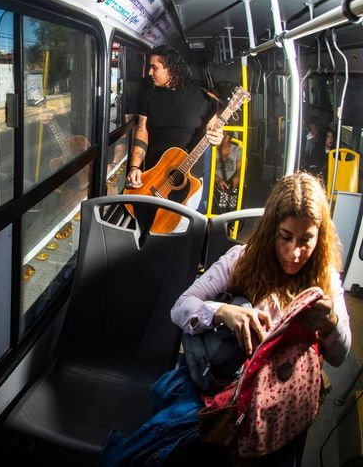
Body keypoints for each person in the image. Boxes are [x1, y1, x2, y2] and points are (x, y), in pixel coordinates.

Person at [100, 172, 351, 466]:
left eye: (306, 240)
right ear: (271, 230)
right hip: (225, 386)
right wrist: (223, 312)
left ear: (320, 238)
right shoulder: (240, 260)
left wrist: (330, 322)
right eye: (285, 237)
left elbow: (340, 355)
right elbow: (180, 307)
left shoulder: (326, 280)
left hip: (279, 404)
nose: (294, 253)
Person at [124, 45, 223, 228]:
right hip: (154, 176)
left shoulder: (205, 99)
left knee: (179, 230)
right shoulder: (149, 97)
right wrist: (134, 166)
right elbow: (142, 131)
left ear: (170, 68)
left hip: (188, 181)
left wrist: (219, 137)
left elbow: (215, 130)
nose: (149, 72)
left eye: (154, 67)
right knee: (146, 227)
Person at [212, 132, 242, 213]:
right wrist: (217, 179)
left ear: (227, 138)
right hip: (213, 187)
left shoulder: (237, 151)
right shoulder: (211, 150)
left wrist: (236, 178)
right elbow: (206, 169)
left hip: (231, 188)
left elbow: (241, 169)